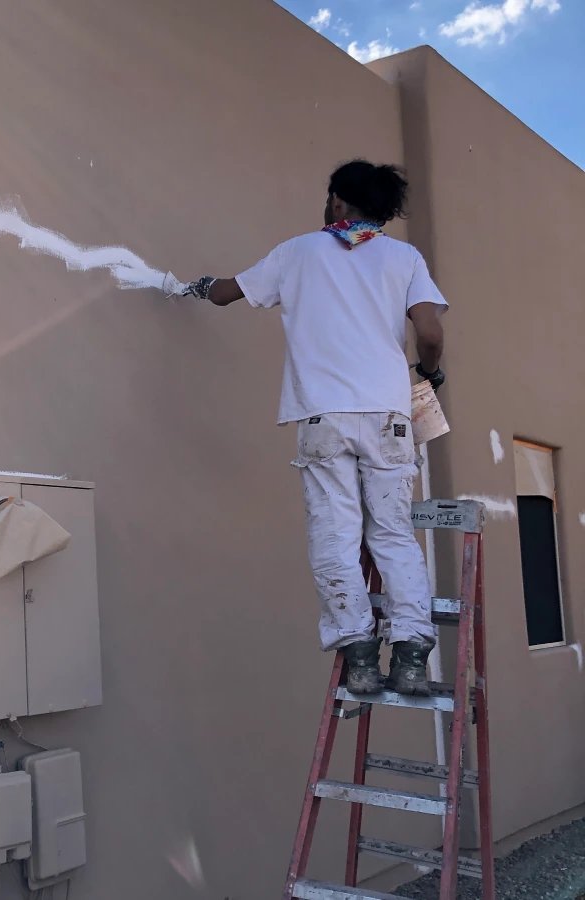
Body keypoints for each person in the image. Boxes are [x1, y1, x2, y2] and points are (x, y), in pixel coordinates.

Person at [175, 160, 447, 695]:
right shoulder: (404, 257)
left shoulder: (298, 251)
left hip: (324, 417)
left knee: (336, 535)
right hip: (388, 418)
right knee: (393, 533)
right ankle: (412, 655)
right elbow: (430, 330)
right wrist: (430, 371)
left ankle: (360, 655)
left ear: (340, 203)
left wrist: (200, 286)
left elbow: (229, 293)